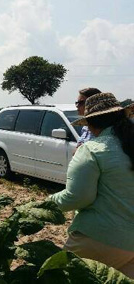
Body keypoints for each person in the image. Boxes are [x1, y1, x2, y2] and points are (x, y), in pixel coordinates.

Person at [49, 92, 134, 277]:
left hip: (100, 238)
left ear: (91, 124)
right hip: (131, 245)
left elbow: (77, 197)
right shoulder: (128, 145)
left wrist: (46, 203)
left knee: (56, 276)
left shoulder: (91, 149)